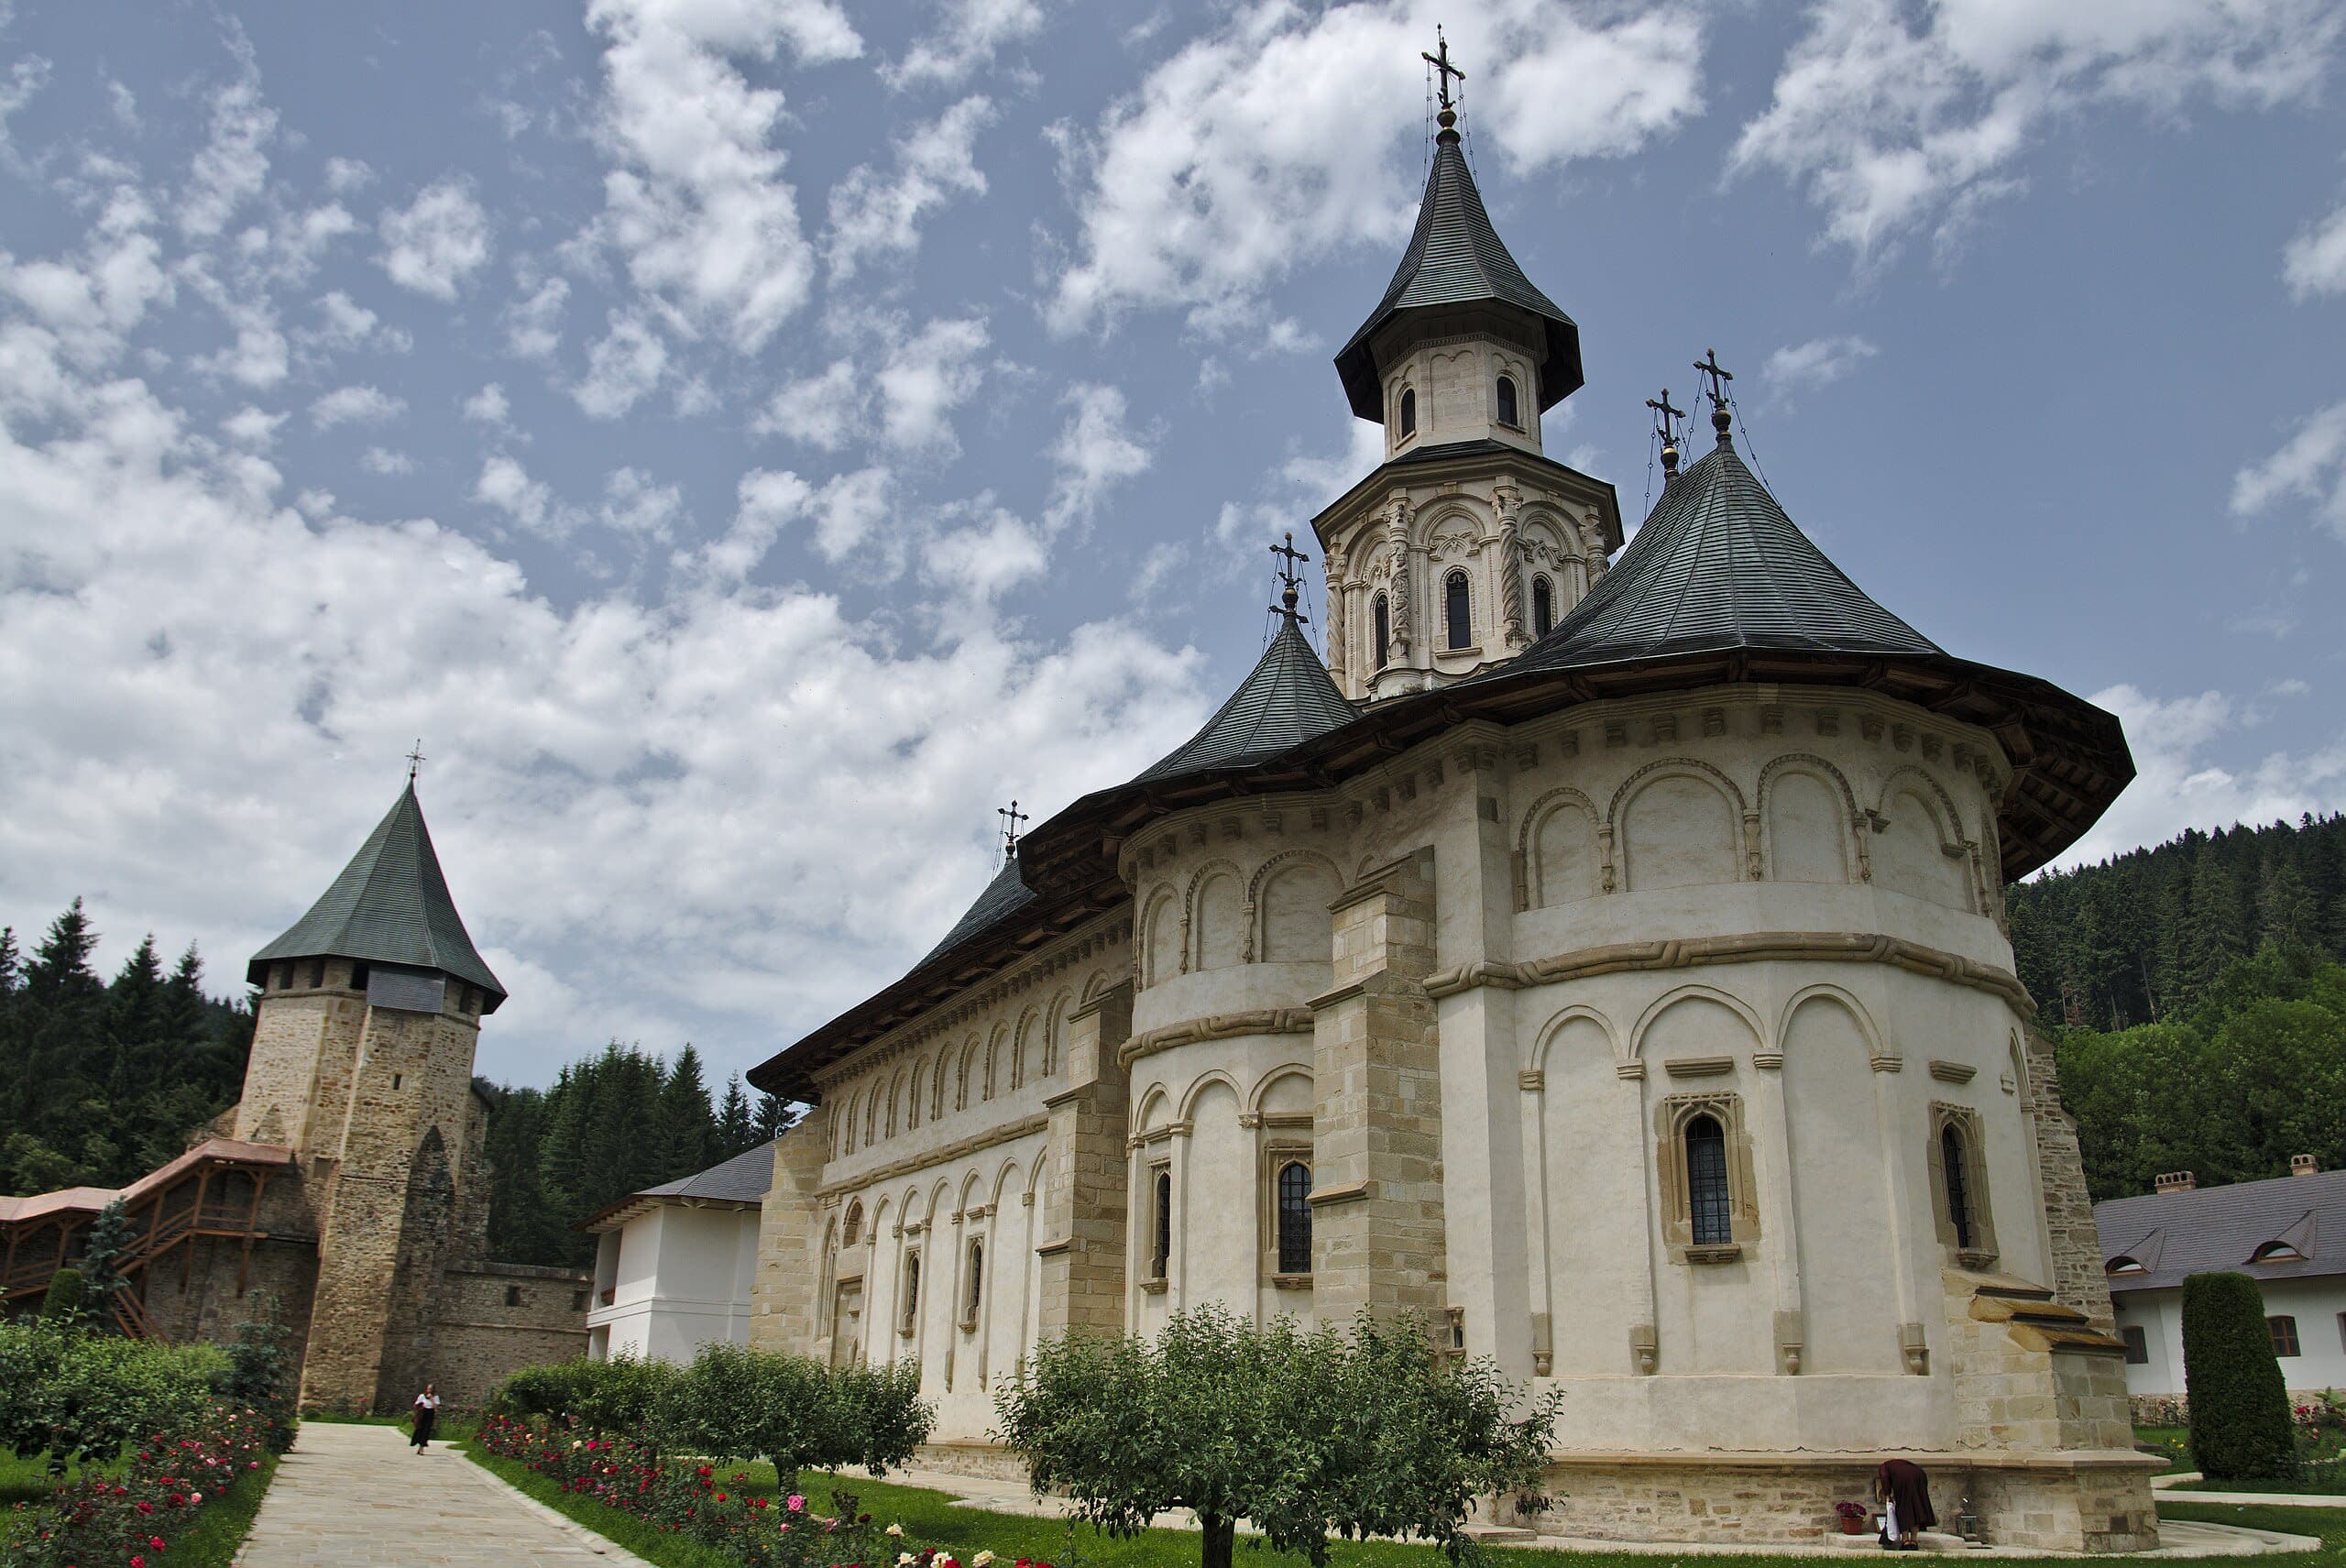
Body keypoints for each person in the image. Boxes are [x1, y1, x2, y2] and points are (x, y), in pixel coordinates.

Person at [1872, 1457, 1935, 1551]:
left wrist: (1887, 1494)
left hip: (1903, 1478)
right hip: (1919, 1475)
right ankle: (1914, 1541)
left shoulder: (1883, 1467)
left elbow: (1885, 1478)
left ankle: (1905, 1541)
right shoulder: (1900, 1464)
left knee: (1903, 1508)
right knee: (1916, 1507)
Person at [411, 1382, 441, 1453]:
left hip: (430, 1413)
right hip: (422, 1413)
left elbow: (436, 1408)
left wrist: (432, 1399)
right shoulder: (422, 1396)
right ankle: (418, 1445)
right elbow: (416, 1405)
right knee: (419, 1429)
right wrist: (421, 1406)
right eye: (428, 1389)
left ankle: (422, 1448)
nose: (429, 1390)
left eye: (431, 1389)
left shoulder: (436, 1397)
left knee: (426, 1430)